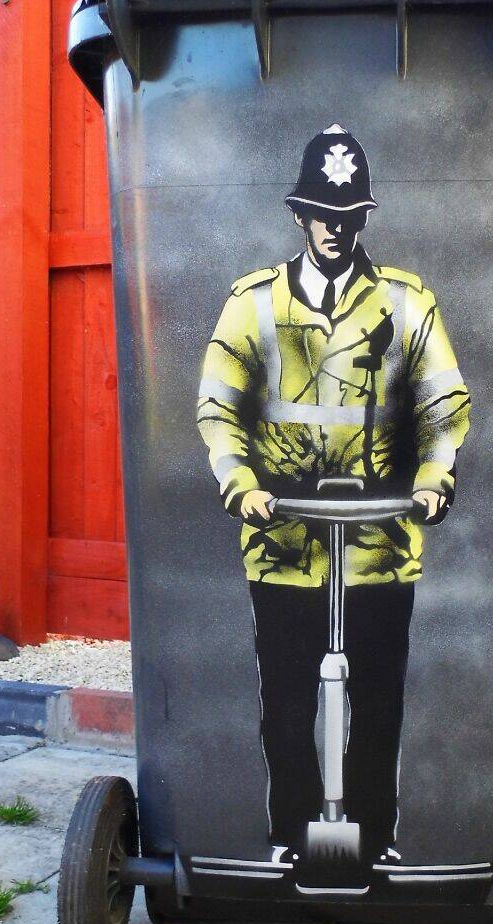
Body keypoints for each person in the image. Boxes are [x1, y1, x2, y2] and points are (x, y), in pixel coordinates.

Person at [197, 124, 471, 868]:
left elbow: (443, 404)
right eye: (323, 213)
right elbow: (219, 405)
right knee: (287, 704)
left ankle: (376, 842)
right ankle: (290, 839)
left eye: (349, 215)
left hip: (380, 539)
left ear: (363, 218)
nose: (335, 229)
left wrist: (433, 478)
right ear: (300, 214)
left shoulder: (406, 304)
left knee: (378, 701)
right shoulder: (253, 304)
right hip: (283, 538)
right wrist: (240, 482)